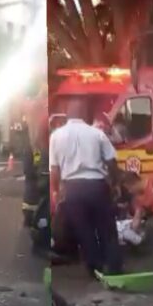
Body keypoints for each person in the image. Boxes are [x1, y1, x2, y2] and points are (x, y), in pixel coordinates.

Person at [49, 98, 123, 276]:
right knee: (106, 229)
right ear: (84, 114)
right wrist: (115, 184)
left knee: (84, 231)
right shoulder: (96, 134)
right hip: (96, 187)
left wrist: (56, 191)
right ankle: (113, 267)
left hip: (72, 190)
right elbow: (112, 162)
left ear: (68, 114)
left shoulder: (56, 136)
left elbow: (54, 169)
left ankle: (95, 268)